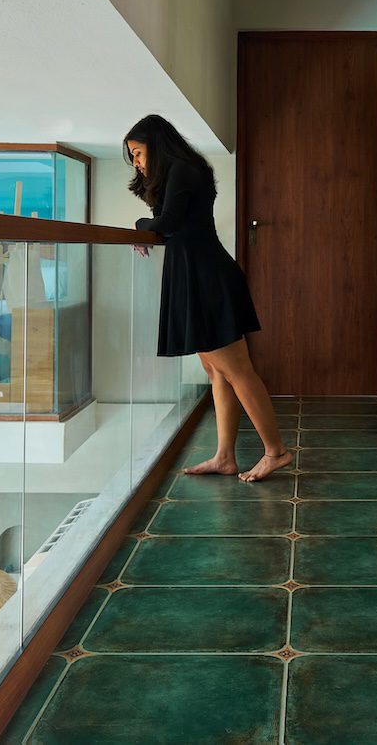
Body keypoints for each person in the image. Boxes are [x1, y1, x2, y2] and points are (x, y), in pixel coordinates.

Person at [124, 114, 292, 483]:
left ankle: (276, 452)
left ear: (157, 144)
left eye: (138, 152)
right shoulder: (177, 172)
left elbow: (167, 224)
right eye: (132, 156)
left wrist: (139, 225)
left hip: (207, 278)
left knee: (237, 369)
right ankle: (225, 456)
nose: (136, 162)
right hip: (194, 277)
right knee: (217, 370)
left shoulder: (184, 170)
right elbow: (170, 224)